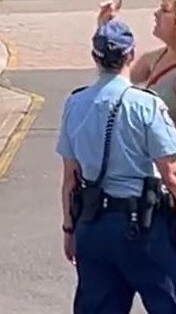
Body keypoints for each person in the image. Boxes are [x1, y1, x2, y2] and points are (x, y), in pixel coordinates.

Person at [57, 19, 176, 313]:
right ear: (131, 55)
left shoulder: (75, 104)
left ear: (94, 57)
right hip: (144, 228)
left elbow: (70, 180)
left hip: (93, 225)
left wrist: (69, 230)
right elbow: (171, 175)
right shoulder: (146, 105)